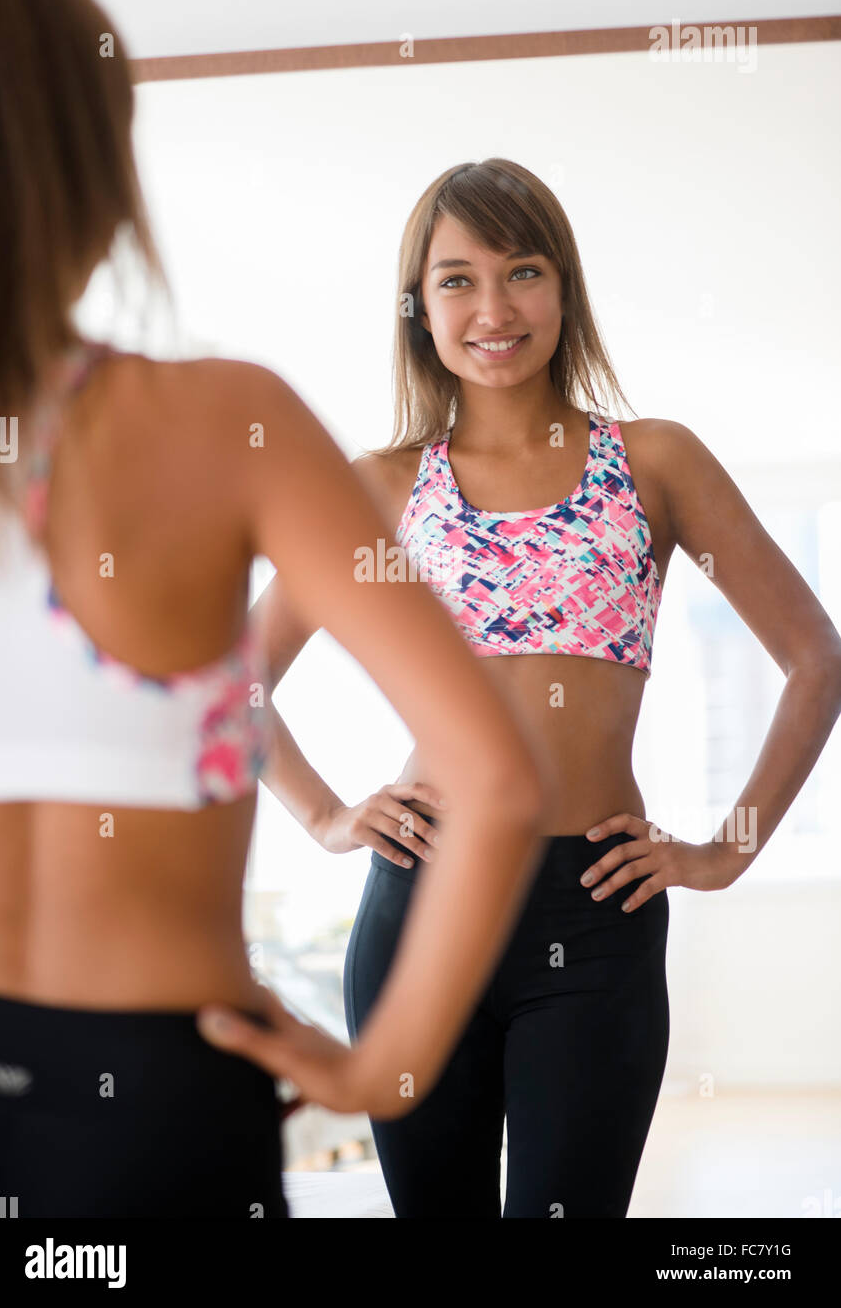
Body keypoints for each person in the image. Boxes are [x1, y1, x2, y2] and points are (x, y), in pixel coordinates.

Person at [0, 0, 548, 1218]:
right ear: (93, 165)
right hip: (154, 1089)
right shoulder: (224, 420)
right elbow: (498, 774)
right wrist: (384, 1068)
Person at [201, 157, 841, 1218]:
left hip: (593, 909)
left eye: (522, 271)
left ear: (563, 289)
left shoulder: (653, 463)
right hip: (419, 904)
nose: (491, 308)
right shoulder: (380, 484)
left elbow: (813, 660)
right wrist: (322, 816)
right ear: (418, 307)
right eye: (455, 279)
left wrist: (723, 850)